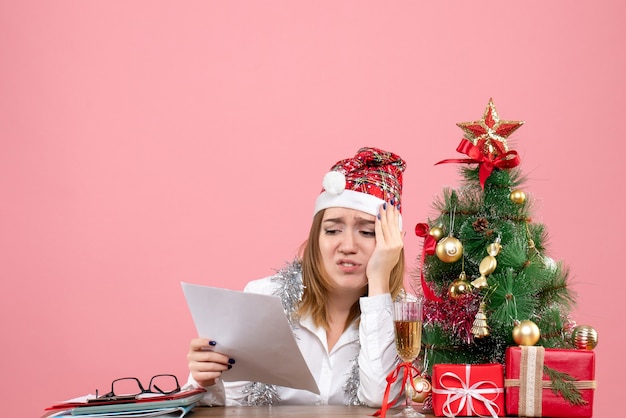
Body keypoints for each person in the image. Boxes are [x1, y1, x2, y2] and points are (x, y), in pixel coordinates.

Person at [186, 147, 409, 407]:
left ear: (391, 243)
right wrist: (206, 381)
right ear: (316, 239)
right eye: (333, 230)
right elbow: (233, 405)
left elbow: (381, 400)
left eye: (368, 233)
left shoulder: (407, 316)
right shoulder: (264, 297)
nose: (348, 245)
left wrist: (379, 281)